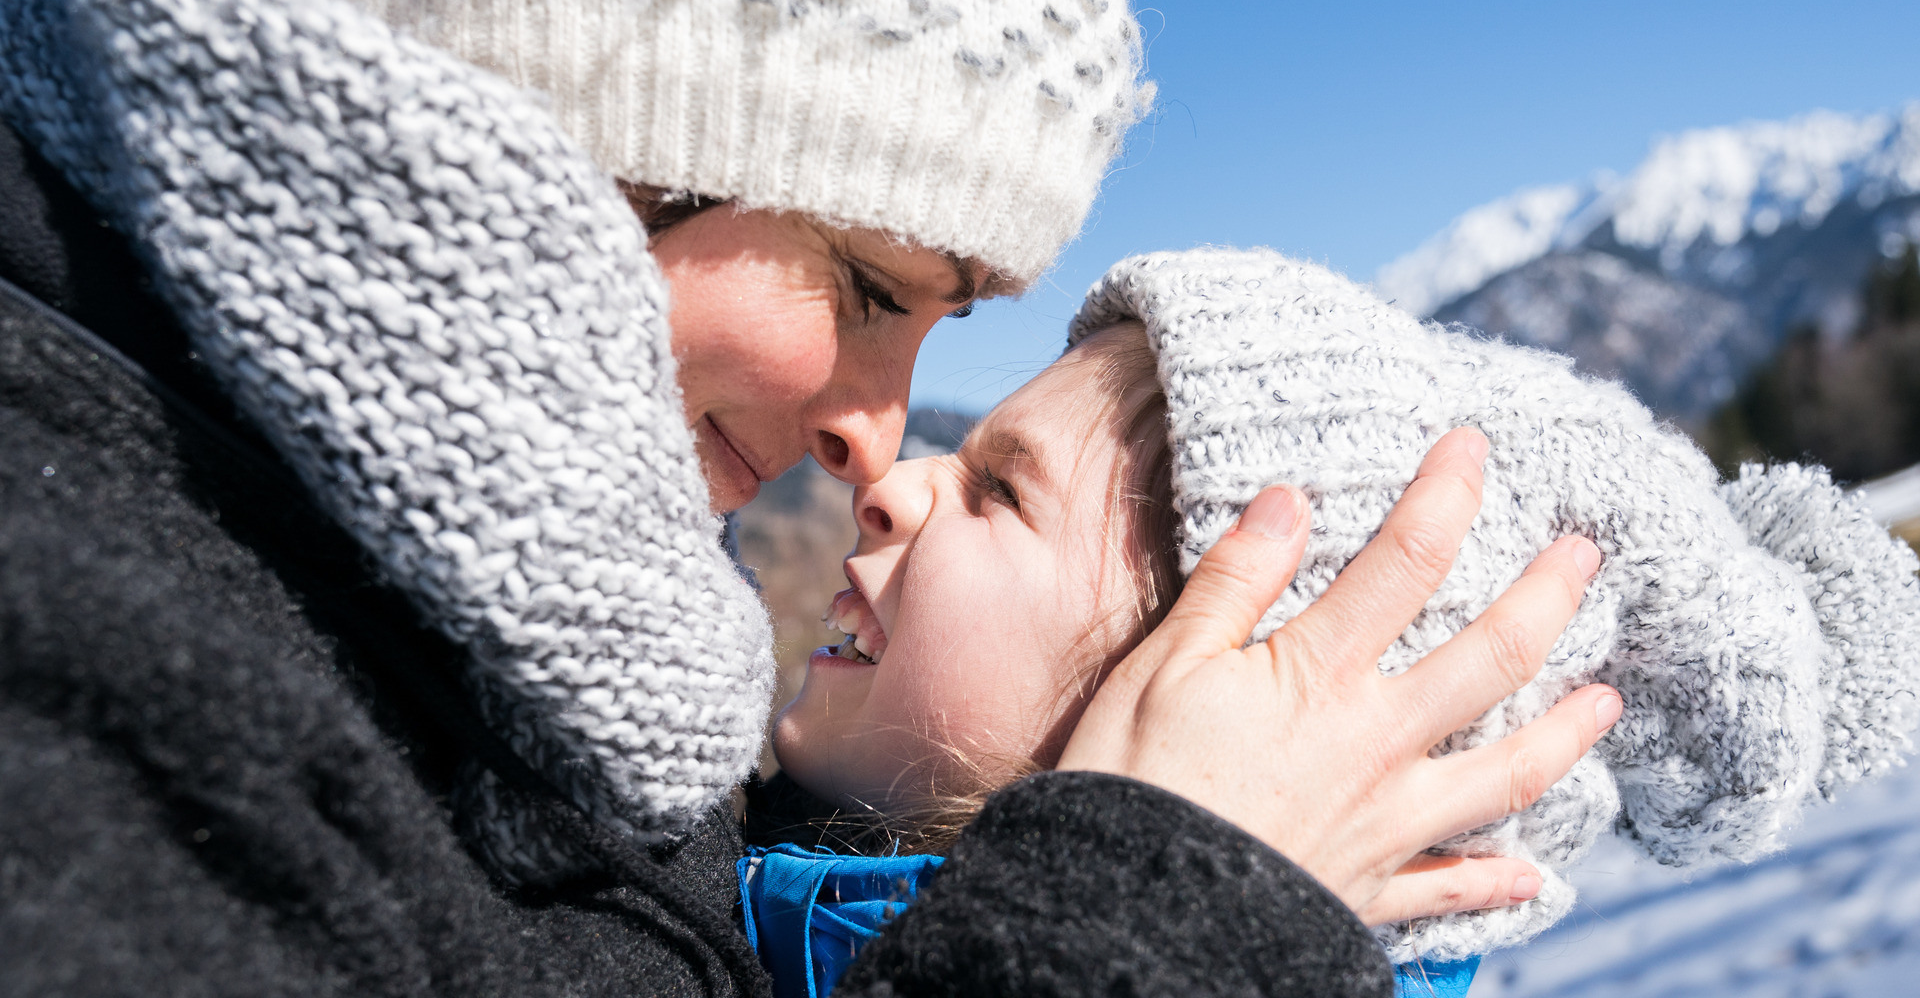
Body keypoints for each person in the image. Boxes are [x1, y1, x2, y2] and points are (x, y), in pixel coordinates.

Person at [0, 0, 1617, 995]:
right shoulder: (87, 646)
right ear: (555, 120)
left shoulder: (535, 615)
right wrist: (1174, 902)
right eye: (864, 285)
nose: (870, 440)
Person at [747, 250, 1920, 998]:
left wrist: (1149, 890)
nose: (892, 482)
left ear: (1234, 720)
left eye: (1000, 492)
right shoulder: (703, 872)